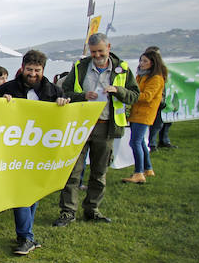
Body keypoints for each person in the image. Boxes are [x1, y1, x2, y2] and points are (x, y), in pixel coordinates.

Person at [55, 33, 140, 226]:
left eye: (100, 51)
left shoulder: (123, 69)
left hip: (106, 127)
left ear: (108, 47)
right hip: (81, 127)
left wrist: (118, 91)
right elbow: (65, 92)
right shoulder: (79, 67)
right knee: (72, 172)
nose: (97, 55)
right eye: (93, 52)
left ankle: (92, 209)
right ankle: (68, 211)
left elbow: (135, 95)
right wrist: (84, 95)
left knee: (99, 172)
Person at [0, 51, 68, 255]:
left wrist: (63, 105)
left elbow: (63, 119)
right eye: (29, 70)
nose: (33, 74)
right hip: (15, 150)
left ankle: (26, 235)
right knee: (21, 192)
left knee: (33, 192)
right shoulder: (6, 89)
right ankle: (26, 237)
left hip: (41, 149)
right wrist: (2, 103)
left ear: (43, 70)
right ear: (22, 67)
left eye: (37, 70)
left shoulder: (54, 91)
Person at [122, 49, 167, 184]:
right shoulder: (142, 76)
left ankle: (138, 173)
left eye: (145, 61)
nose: (141, 63)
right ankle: (147, 168)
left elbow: (147, 97)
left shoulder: (156, 78)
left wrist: (128, 95)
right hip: (137, 113)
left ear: (153, 63)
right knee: (140, 142)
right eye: (141, 60)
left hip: (144, 114)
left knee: (135, 142)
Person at [145, 46, 175, 150]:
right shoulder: (148, 71)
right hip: (154, 101)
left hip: (163, 100)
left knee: (164, 122)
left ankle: (163, 141)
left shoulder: (162, 69)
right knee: (155, 123)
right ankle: (151, 144)